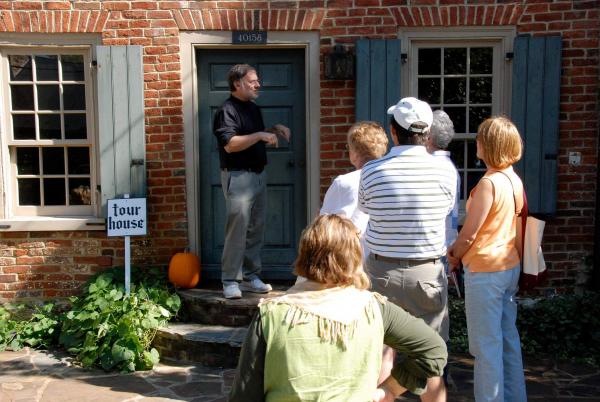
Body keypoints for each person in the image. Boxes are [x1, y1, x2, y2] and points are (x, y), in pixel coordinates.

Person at [229, 214, 448, 402]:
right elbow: (433, 350)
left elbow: (244, 394)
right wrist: (391, 388)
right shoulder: (374, 309)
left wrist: (390, 387)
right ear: (354, 257)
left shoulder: (273, 314)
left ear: (305, 253)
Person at [358, 97, 457, 402]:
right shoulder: (446, 171)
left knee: (376, 351)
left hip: (380, 273)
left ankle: (382, 396)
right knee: (431, 359)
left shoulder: (373, 171)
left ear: (393, 131)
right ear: (427, 133)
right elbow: (448, 210)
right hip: (427, 271)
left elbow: (366, 208)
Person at [447, 116, 527, 402]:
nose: (477, 142)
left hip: (485, 272)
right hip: (509, 266)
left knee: (485, 348)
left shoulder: (488, 184)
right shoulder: (513, 179)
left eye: (481, 138)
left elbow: (469, 235)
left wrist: (453, 256)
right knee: (508, 342)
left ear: (489, 145)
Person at [213, 64, 291, 299]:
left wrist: (273, 129)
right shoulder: (227, 110)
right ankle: (229, 281)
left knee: (255, 229)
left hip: (258, 175)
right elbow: (231, 143)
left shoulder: (253, 108)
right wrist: (260, 135)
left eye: (258, 80)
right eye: (253, 81)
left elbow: (251, 136)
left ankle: (250, 276)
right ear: (238, 84)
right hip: (238, 177)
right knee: (237, 231)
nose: (258, 85)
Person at [320, 121, 389, 258]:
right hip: (383, 259)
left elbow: (325, 228)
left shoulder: (344, 183)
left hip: (351, 260)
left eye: (349, 147)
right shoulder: (389, 180)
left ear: (355, 153)